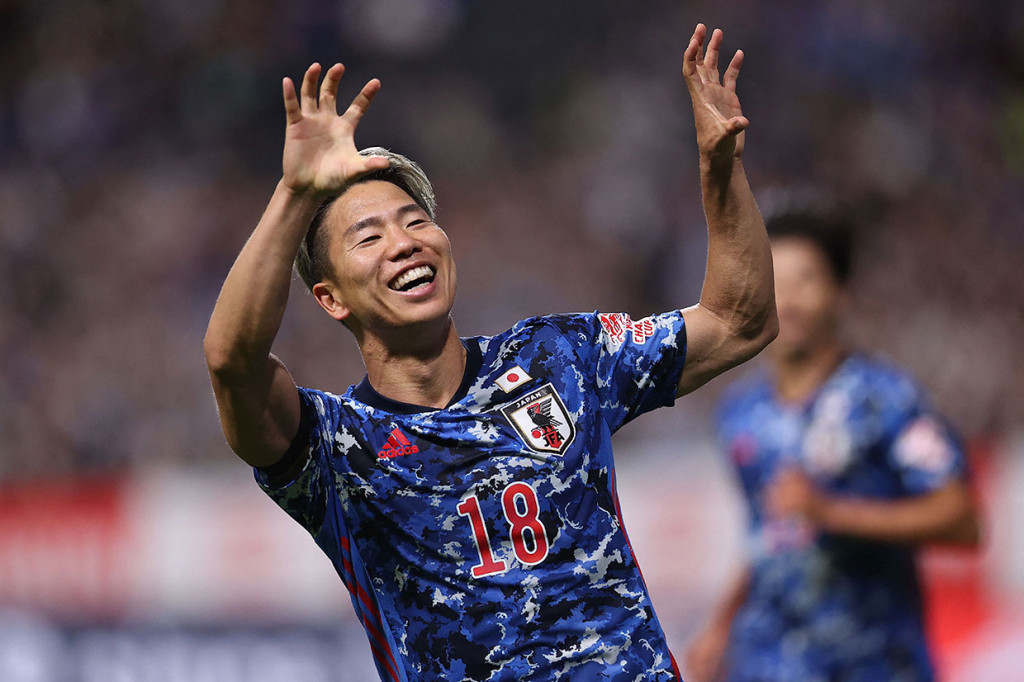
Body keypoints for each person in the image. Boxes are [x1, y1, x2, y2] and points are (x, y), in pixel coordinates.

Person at [204, 23, 775, 681]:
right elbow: (232, 363)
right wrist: (295, 194)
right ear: (331, 298)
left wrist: (719, 168)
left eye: (416, 220)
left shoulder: (558, 357)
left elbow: (739, 321)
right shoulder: (335, 450)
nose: (404, 242)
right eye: (369, 237)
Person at [685, 201, 982, 682]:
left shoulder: (885, 398)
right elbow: (767, 534)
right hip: (767, 662)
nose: (789, 297)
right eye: (774, 280)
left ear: (839, 293)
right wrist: (720, 626)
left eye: (806, 279)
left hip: (873, 661)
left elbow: (962, 519)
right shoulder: (740, 412)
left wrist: (831, 512)